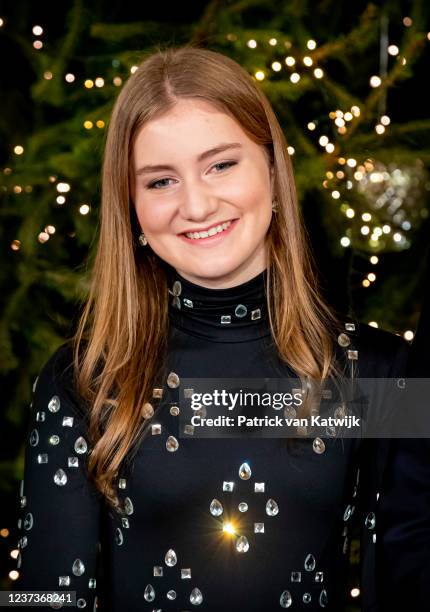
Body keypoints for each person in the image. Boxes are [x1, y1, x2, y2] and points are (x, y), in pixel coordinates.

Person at [15, 44, 411, 611]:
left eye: (221, 164)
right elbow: (44, 598)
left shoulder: (377, 372)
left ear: (273, 170)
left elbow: (407, 578)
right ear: (131, 207)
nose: (196, 205)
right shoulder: (84, 383)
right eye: (160, 181)